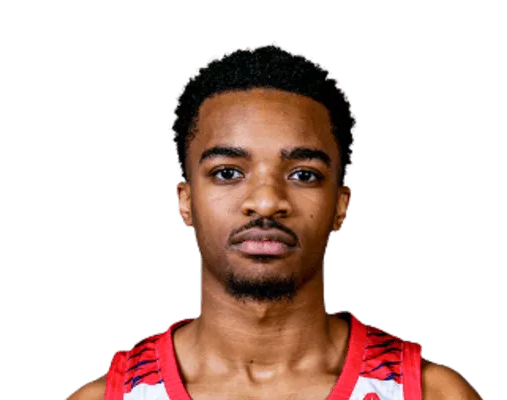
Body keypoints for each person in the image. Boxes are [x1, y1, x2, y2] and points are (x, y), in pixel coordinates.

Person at [67, 43, 482, 400]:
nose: (266, 203)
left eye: (304, 175)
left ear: (341, 205)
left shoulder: (430, 393)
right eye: (227, 172)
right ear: (186, 201)